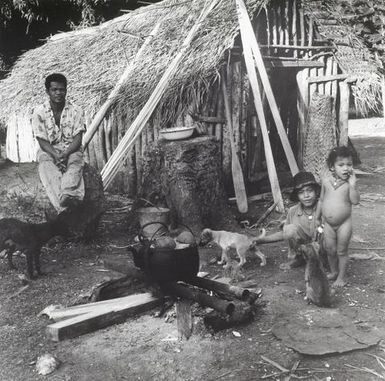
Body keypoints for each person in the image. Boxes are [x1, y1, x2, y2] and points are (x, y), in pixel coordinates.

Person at [32, 73, 86, 213]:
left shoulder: (76, 110)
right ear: (47, 91)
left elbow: (78, 138)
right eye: (54, 89)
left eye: (62, 89)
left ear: (66, 90)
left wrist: (67, 153)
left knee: (75, 163)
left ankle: (66, 193)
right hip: (49, 149)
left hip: (71, 148)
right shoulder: (39, 112)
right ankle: (65, 202)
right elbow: (42, 140)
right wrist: (56, 155)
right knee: (45, 165)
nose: (58, 93)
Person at [254, 171, 321, 270]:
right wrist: (260, 240)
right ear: (297, 196)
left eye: (310, 190)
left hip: (322, 248)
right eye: (301, 192)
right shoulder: (293, 211)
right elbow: (284, 234)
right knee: (289, 229)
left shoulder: (324, 208)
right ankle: (298, 258)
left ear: (316, 191)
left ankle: (325, 261)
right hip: (304, 249)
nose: (306, 195)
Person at [316, 146, 360, 287]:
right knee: (330, 250)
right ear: (332, 167)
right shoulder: (326, 182)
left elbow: (355, 201)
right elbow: (321, 200)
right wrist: (317, 217)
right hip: (328, 224)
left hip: (344, 224)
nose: (346, 168)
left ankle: (341, 277)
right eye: (341, 165)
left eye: (349, 164)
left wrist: (353, 185)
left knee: (341, 250)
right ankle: (334, 271)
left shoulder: (348, 185)